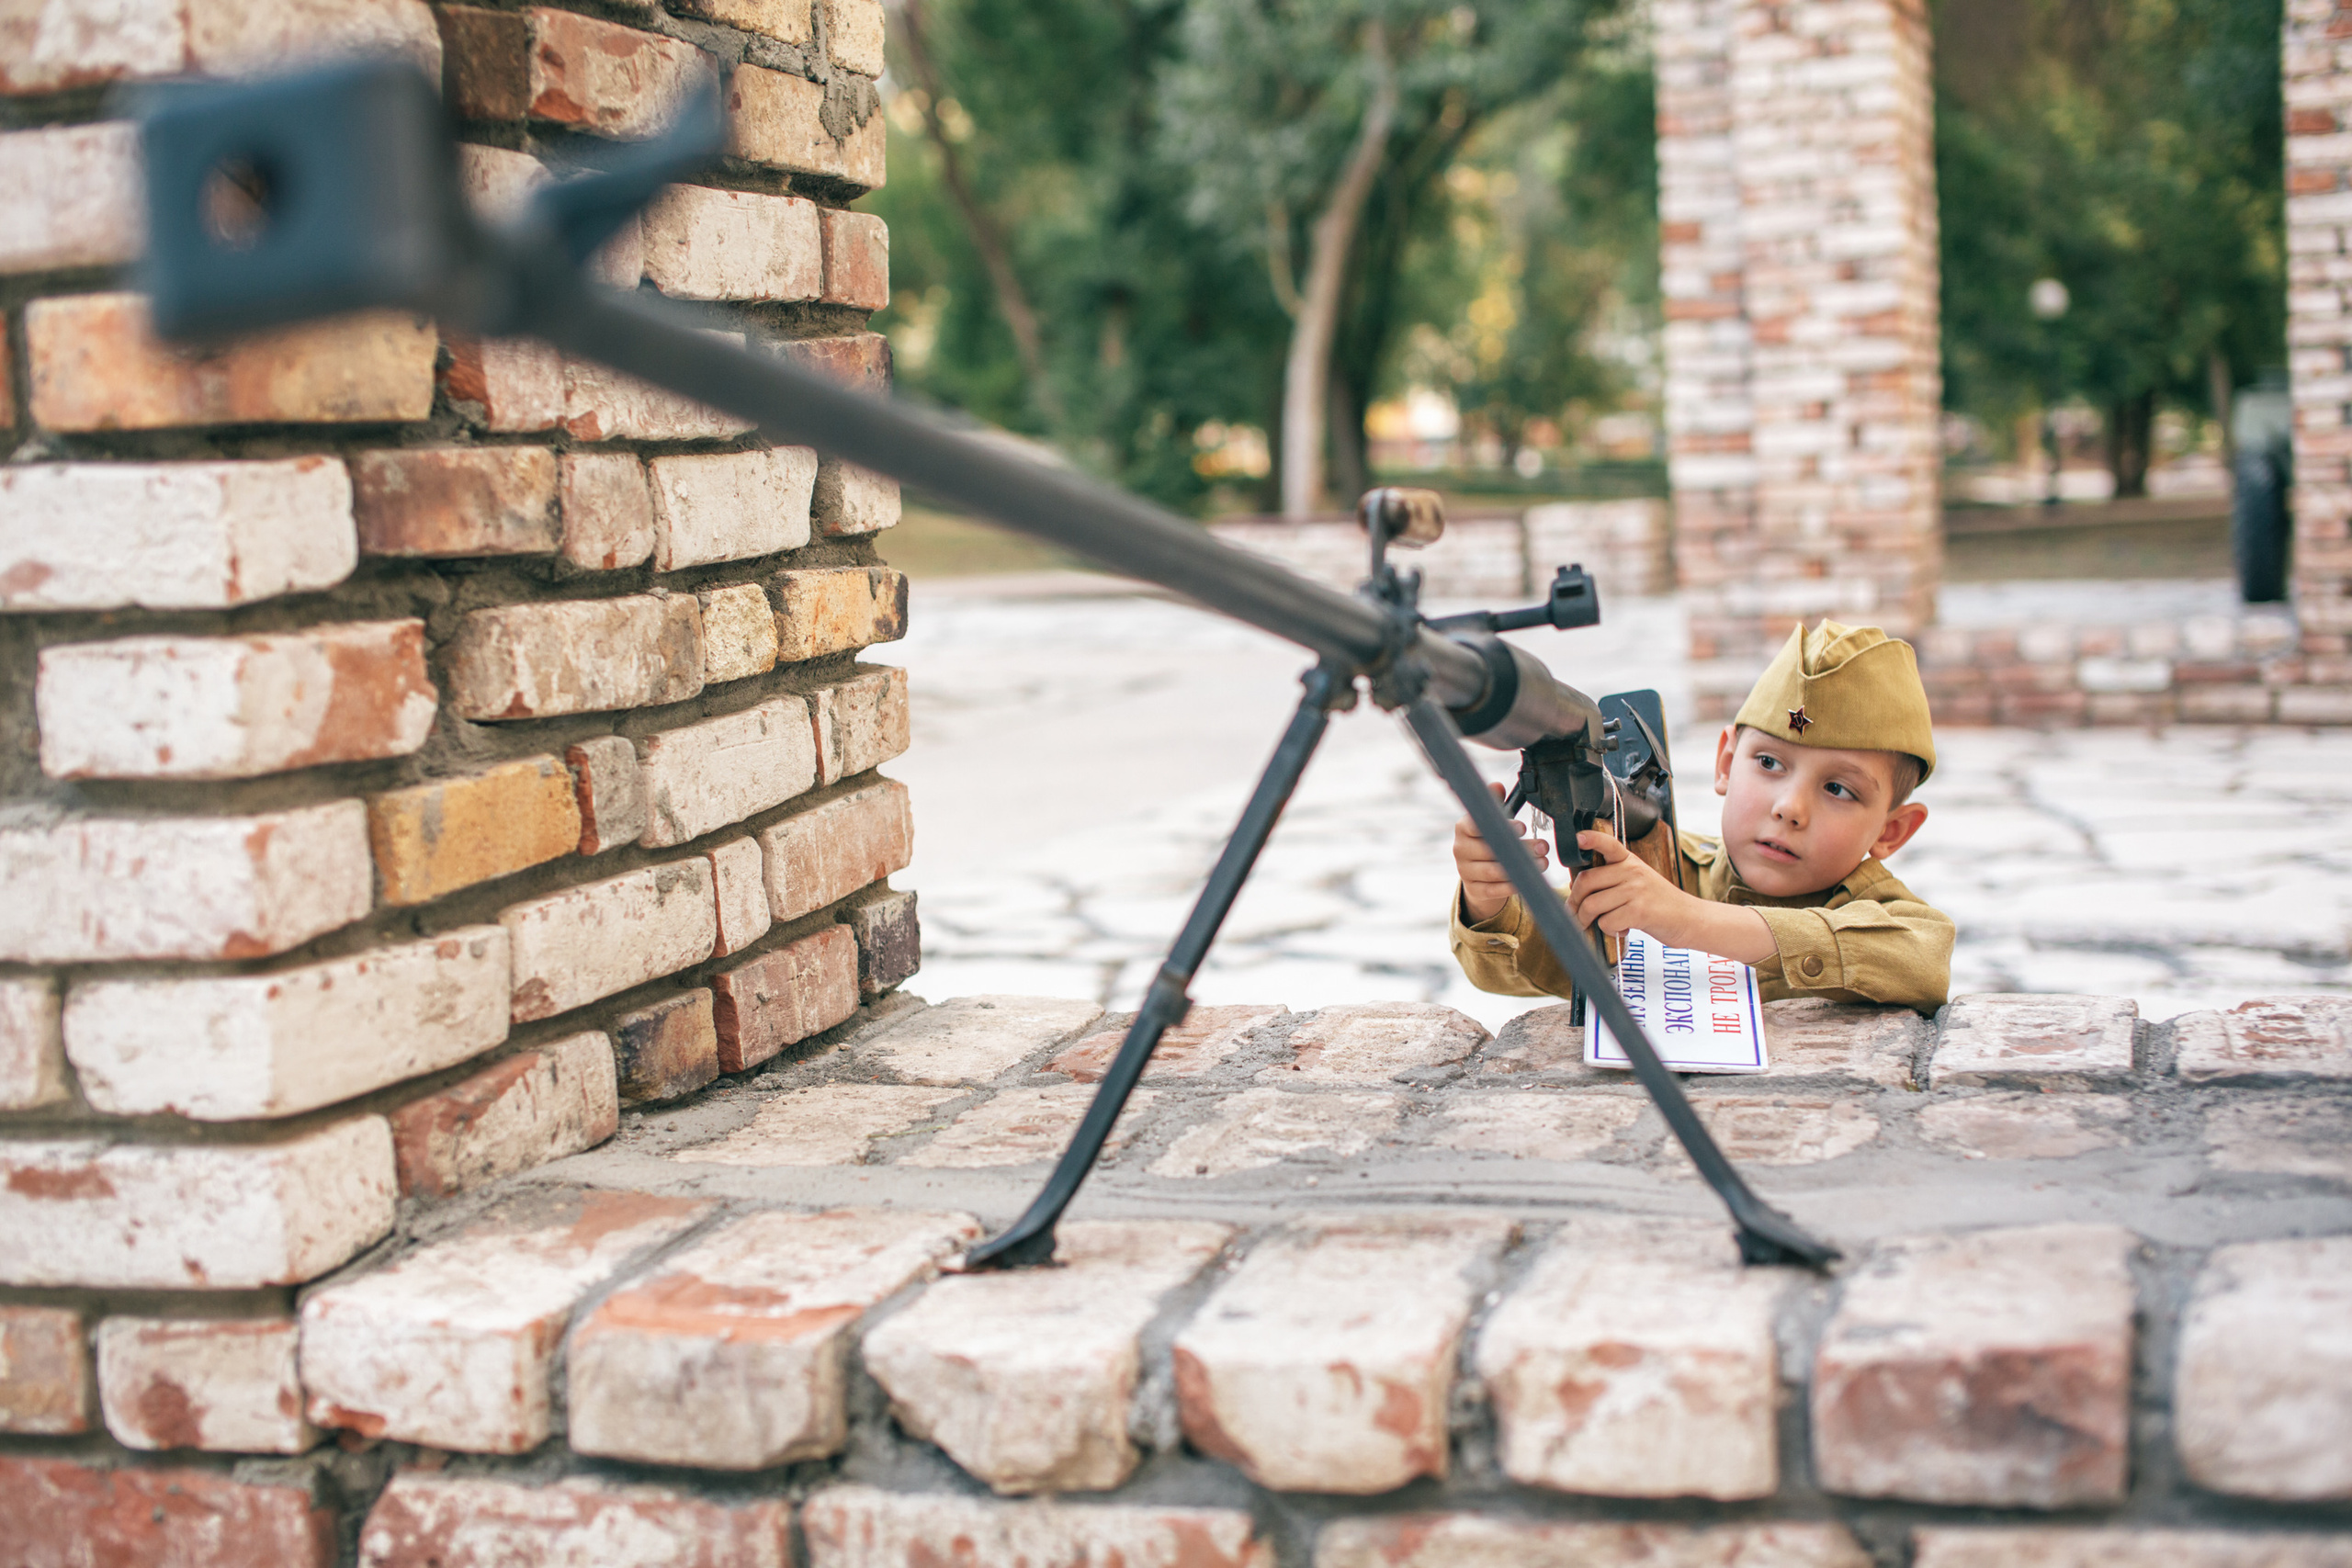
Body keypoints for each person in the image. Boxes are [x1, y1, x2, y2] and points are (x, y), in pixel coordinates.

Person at [1449, 619, 1953, 1012]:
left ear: (1892, 831)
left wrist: (1691, 921)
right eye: (1770, 763)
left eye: (1838, 789)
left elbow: (1923, 960)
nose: (1790, 808)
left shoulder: (1877, 909)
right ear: (1727, 765)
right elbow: (1523, 965)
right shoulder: (1658, 868)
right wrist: (1489, 897)